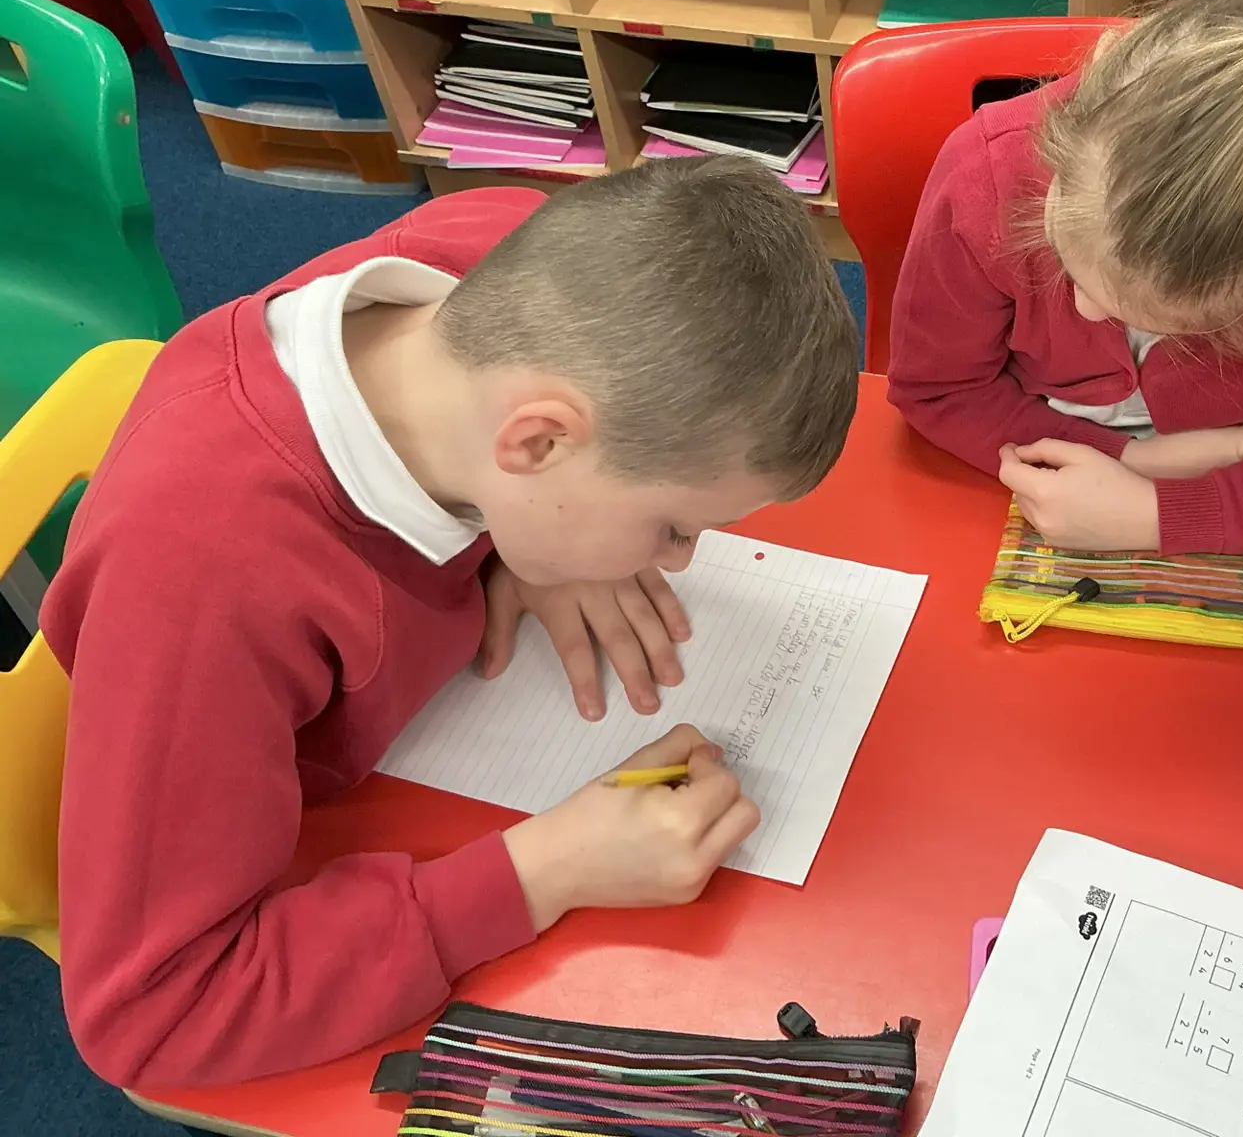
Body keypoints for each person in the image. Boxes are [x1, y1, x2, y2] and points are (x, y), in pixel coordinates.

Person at [42, 158, 861, 1087]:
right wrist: (542, 871)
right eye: (673, 526)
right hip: (252, 832)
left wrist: (516, 540)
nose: (676, 561)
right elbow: (154, 1017)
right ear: (538, 442)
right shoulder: (201, 573)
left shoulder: (494, 248)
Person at [887, 0, 1243, 555]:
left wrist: (1153, 516)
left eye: (1162, 316)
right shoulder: (987, 178)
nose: (1083, 308)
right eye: (1073, 263)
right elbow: (940, 390)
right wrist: (1132, 458)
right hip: (1030, 461)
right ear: (1104, 65)